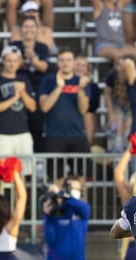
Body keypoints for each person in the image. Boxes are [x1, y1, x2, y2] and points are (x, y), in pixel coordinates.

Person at [38, 48, 92, 179]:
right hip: (54, 135)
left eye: (68, 60)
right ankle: (59, 200)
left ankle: (79, 200)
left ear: (74, 62)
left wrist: (80, 89)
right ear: (57, 62)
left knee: (82, 177)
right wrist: (58, 88)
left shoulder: (81, 82)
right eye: (62, 60)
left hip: (77, 134)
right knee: (56, 179)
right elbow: (44, 107)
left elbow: (83, 109)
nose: (65, 63)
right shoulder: (48, 80)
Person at [0, 46, 37, 169]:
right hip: (2, 134)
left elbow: (32, 107)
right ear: (3, 61)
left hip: (22, 133)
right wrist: (14, 98)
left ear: (19, 62)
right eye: (9, 60)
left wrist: (23, 93)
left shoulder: (23, 80)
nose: (12, 64)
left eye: (15, 61)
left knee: (23, 173)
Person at [9, 15, 50, 153]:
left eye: (32, 26)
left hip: (38, 90)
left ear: (37, 29)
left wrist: (32, 57)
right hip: (18, 91)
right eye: (26, 26)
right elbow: (10, 65)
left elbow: (44, 67)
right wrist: (23, 58)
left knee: (37, 128)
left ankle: (37, 161)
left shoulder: (42, 47)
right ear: (21, 30)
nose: (29, 30)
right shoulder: (14, 46)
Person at [92, 0, 136, 64]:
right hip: (104, 45)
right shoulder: (100, 7)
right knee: (118, 56)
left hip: (121, 45)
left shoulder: (119, 6)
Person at [103, 55, 133, 153]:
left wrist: (131, 116)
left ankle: (128, 149)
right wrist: (111, 113)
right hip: (117, 104)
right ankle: (116, 149)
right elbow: (107, 94)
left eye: (123, 65)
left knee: (129, 125)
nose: (120, 67)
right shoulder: (112, 75)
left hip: (131, 106)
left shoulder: (134, 77)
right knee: (117, 123)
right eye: (118, 64)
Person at [74, 55, 101, 145]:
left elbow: (93, 108)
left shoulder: (93, 87)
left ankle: (87, 147)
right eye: (78, 65)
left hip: (84, 115)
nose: (80, 68)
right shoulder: (62, 82)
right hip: (68, 113)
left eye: (84, 66)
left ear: (87, 70)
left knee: (89, 116)